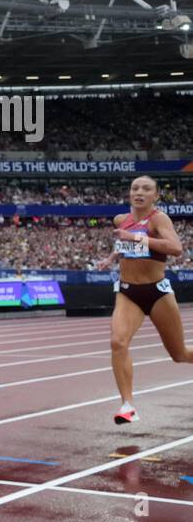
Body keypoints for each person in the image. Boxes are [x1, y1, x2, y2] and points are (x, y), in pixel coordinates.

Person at [95, 175, 190, 423]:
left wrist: (137, 238)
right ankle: (127, 405)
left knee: (179, 354)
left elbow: (175, 247)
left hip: (157, 291)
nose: (139, 192)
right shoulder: (121, 220)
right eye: (135, 188)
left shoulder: (159, 218)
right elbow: (123, 244)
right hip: (128, 292)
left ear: (155, 196)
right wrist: (111, 258)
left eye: (146, 189)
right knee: (118, 342)